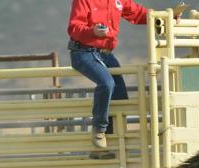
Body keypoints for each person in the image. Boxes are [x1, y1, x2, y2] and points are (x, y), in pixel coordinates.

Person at [67, 0, 184, 159]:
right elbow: (74, 29)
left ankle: (101, 149)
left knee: (120, 96)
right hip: (82, 52)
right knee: (107, 83)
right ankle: (98, 130)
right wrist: (93, 31)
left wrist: (167, 17)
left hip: (106, 53)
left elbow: (140, 14)